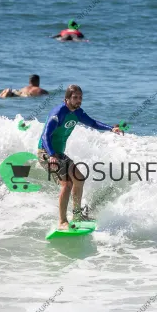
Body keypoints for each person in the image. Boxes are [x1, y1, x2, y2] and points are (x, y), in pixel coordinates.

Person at [37, 84, 123, 230]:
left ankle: (77, 215)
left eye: (80, 97)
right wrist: (51, 155)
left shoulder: (77, 113)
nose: (78, 100)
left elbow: (93, 123)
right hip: (46, 152)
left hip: (59, 154)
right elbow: (46, 135)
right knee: (67, 184)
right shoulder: (58, 112)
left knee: (79, 178)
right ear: (67, 99)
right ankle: (62, 222)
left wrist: (111, 128)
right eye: (75, 97)